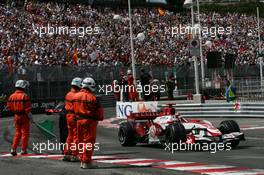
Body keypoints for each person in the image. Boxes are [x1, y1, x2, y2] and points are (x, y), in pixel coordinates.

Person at [73, 77, 104, 169]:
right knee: (89, 142)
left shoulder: (76, 96)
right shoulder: (92, 98)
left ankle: (82, 160)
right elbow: (99, 113)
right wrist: (99, 118)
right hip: (89, 121)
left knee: (81, 141)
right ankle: (87, 162)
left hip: (78, 120)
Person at [7, 80, 32, 156]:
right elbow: (27, 109)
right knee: (25, 133)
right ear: (23, 87)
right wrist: (31, 118)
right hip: (24, 116)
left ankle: (13, 149)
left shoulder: (11, 96)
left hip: (16, 116)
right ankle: (23, 150)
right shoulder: (25, 96)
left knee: (17, 133)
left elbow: (8, 107)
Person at [63, 77, 82, 162]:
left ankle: (67, 153)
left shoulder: (68, 94)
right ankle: (75, 154)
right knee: (76, 136)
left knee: (69, 136)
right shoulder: (77, 95)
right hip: (75, 116)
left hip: (68, 116)